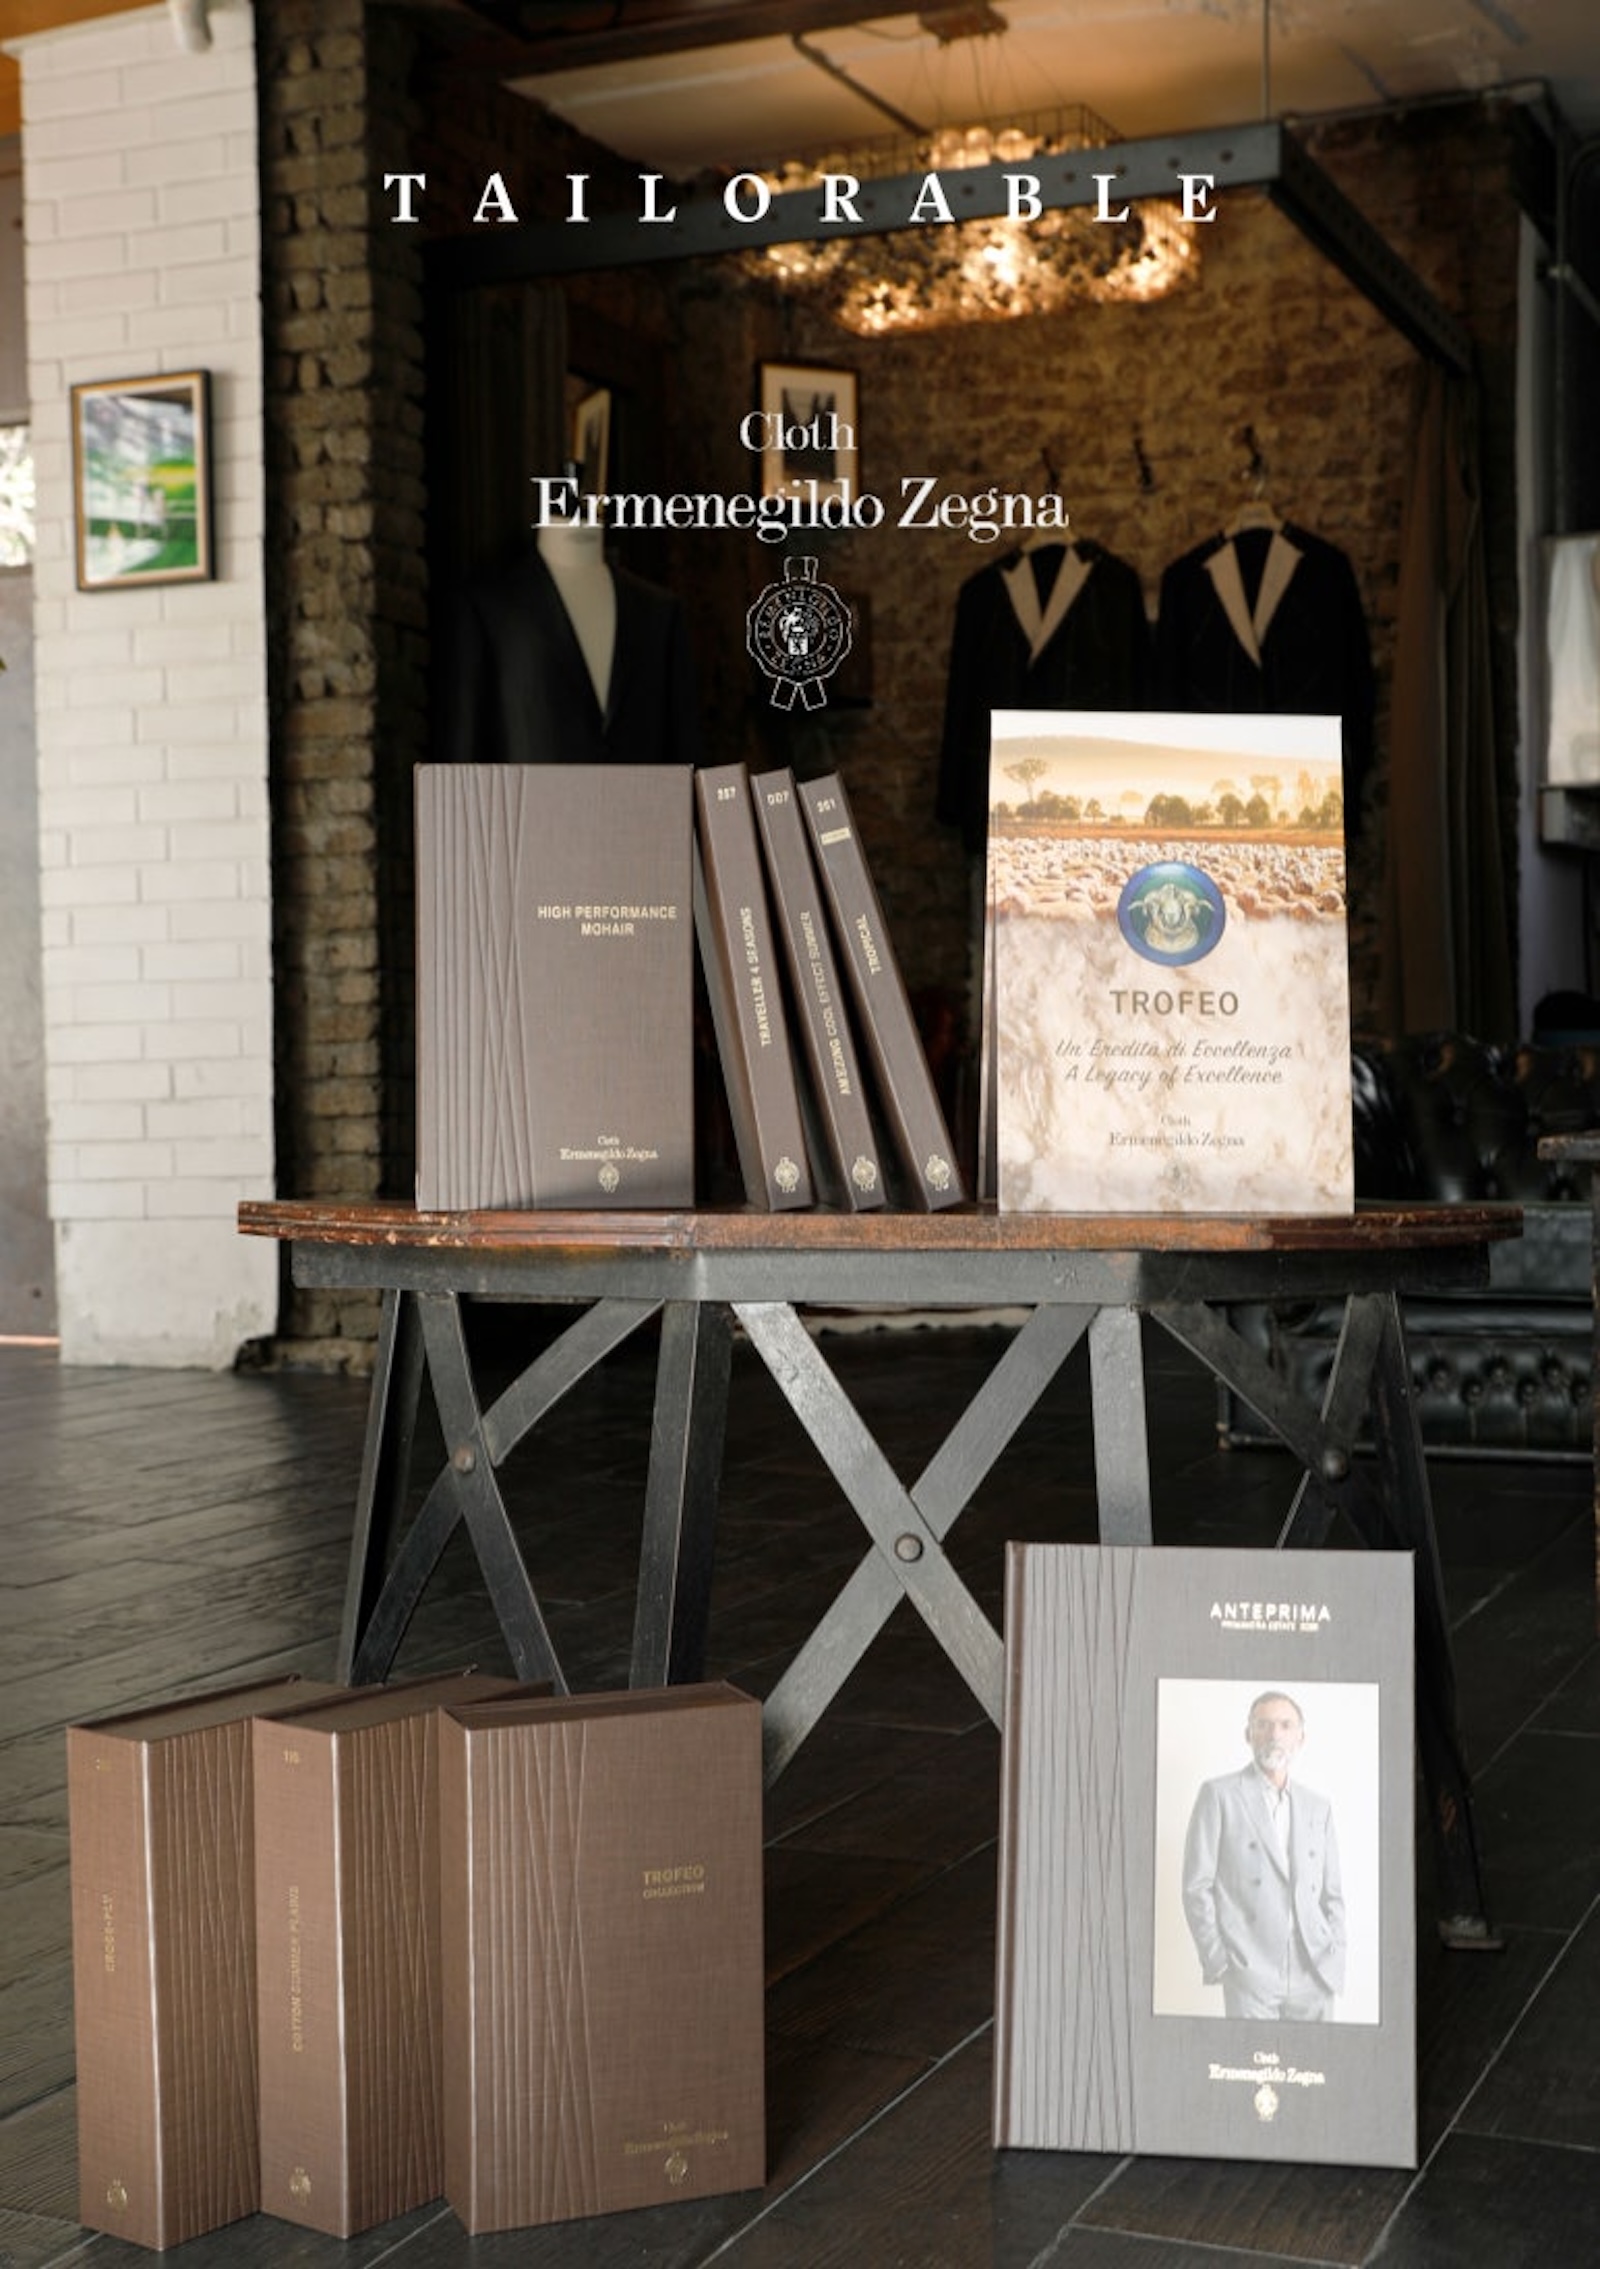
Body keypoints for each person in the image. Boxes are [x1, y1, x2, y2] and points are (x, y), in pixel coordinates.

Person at [1181, 1689, 1346, 2021]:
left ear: (1301, 1738)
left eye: (1286, 1725)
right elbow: (1196, 1886)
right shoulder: (1219, 1795)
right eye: (1264, 1725)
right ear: (1248, 1734)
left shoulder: (1318, 1806)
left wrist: (1335, 1955)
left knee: (1314, 2055)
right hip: (1249, 1969)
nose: (1275, 1735)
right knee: (1254, 2054)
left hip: (1314, 1970)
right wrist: (1219, 1960)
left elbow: (1332, 1894)